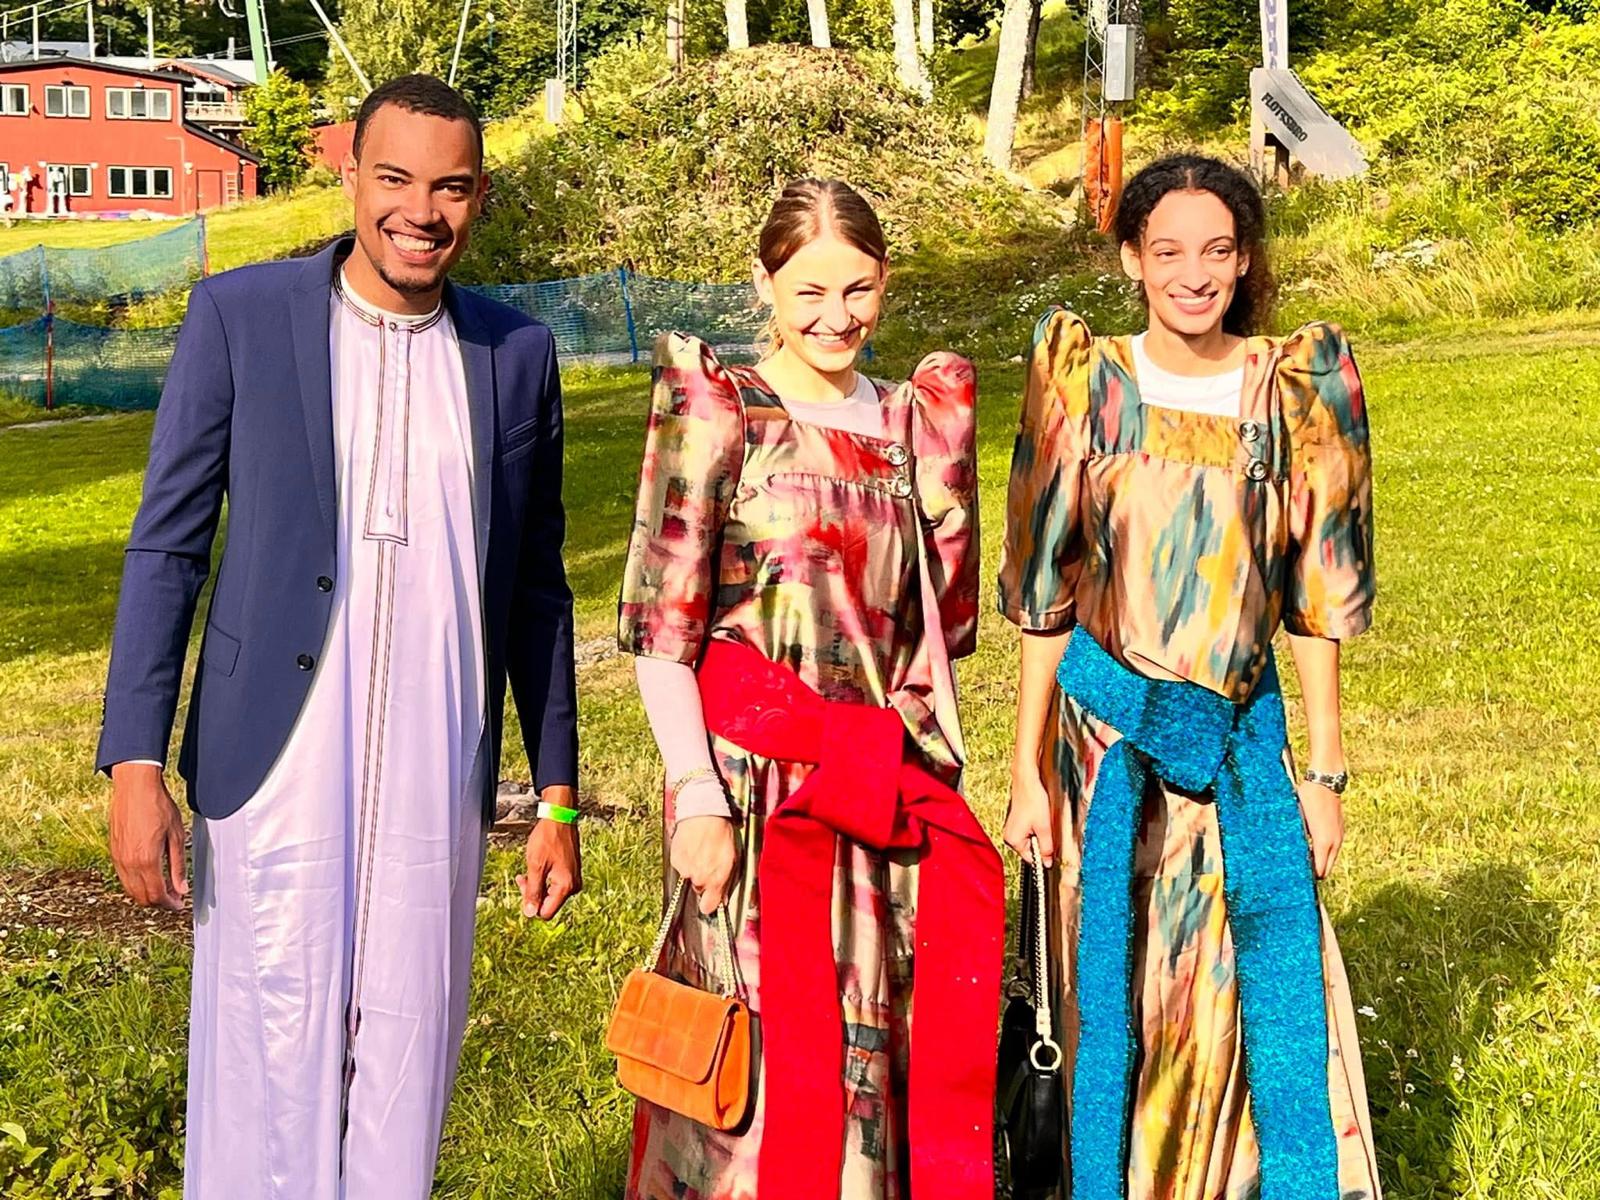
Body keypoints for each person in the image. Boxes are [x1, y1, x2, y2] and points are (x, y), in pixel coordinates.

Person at [95, 74, 581, 1198]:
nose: (422, 212)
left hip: (436, 768)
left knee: (407, 1071)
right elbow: (167, 548)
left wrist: (555, 796)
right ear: (349, 173)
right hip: (277, 760)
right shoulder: (241, 316)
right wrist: (134, 764)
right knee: (264, 1064)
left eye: (451, 187)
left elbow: (537, 591)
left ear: (479, 196)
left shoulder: (516, 353)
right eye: (396, 178)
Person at [998, 154, 1383, 1200]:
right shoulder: (1083, 379)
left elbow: (1316, 597)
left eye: (1215, 250)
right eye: (1167, 251)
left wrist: (1325, 772)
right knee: (1114, 998)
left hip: (1240, 762)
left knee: (1235, 1004)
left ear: (1244, 258)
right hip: (1104, 755)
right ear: (1131, 257)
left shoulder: (1297, 387)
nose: (1192, 274)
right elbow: (1044, 590)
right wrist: (1026, 768)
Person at [618, 178, 1004, 1200]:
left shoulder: (919, 425)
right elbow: (662, 627)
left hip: (878, 796)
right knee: (758, 1074)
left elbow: (936, 632)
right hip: (754, 793)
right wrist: (695, 796)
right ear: (765, 284)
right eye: (810, 292)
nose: (837, 317)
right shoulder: (723, 410)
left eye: (859, 289)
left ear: (886, 282)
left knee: (876, 1058)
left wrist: (937, 773)